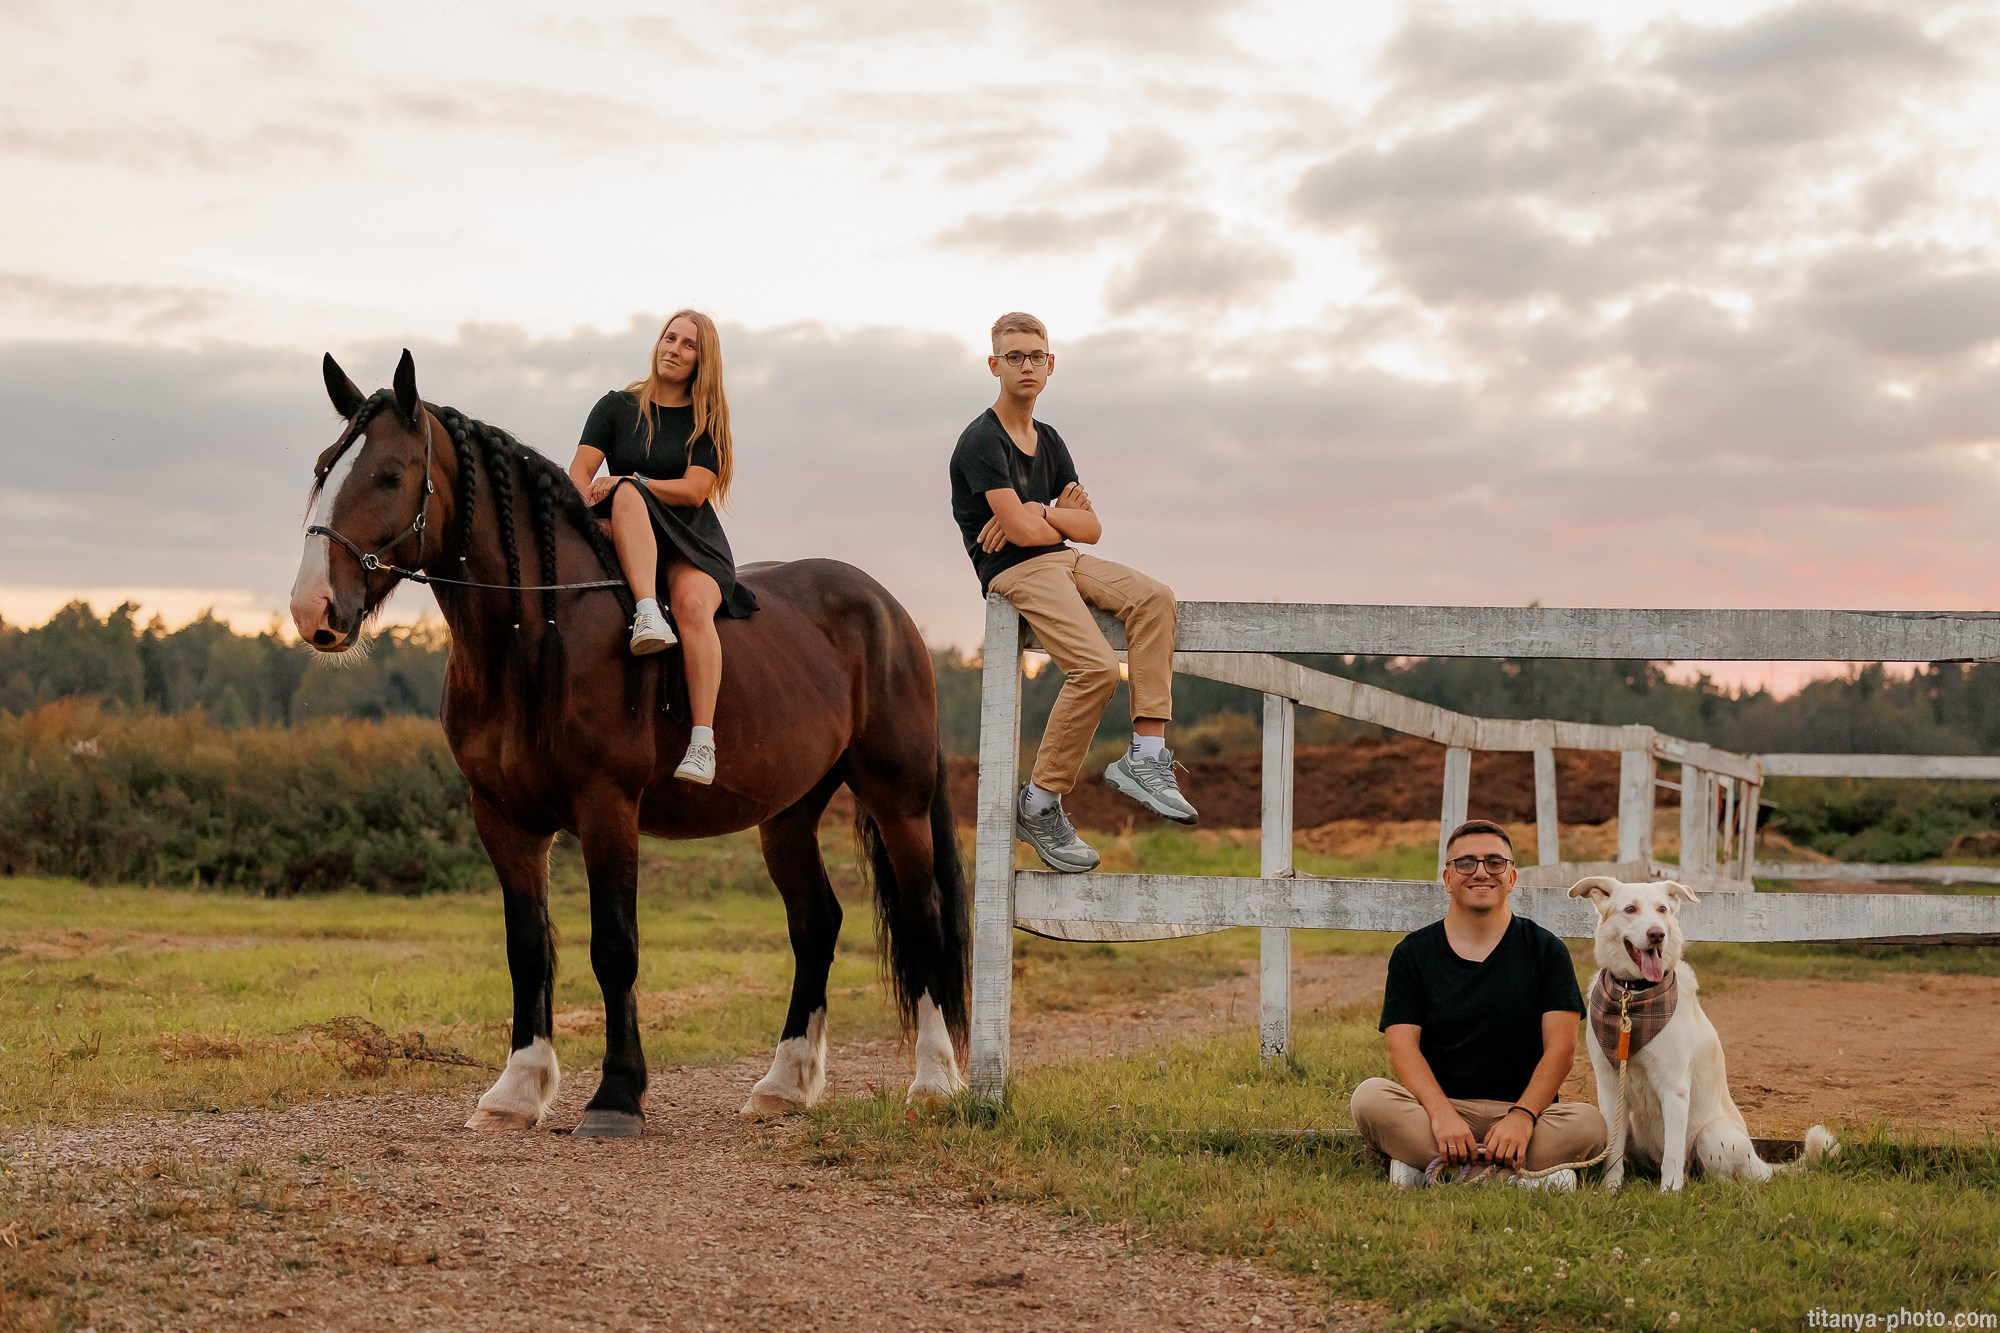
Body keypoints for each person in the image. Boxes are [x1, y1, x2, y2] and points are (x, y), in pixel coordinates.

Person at [947, 311, 1196, 874]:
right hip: (1014, 572)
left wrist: (1036, 511)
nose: (1026, 365)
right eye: (1014, 357)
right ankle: (1039, 803)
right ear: (994, 365)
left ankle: (1147, 756)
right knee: (1096, 669)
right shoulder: (980, 441)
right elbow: (1023, 536)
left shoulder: (1050, 440)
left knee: (1155, 597)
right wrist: (1047, 517)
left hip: (1061, 560)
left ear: (1051, 364)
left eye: (1036, 356)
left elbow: (1091, 528)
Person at [1350, 819, 1606, 1190]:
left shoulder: (1547, 950)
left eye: (1495, 862)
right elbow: (1401, 1047)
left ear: (1512, 877)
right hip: (1439, 1109)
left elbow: (1561, 1051)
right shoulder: (1413, 953)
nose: (1481, 872)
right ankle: (1523, 1178)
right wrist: (1441, 1115)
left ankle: (1430, 1170)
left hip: (1528, 1114)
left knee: (1589, 1124)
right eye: (1466, 863)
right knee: (1370, 1097)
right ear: (1448, 878)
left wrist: (1521, 1116)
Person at [567, 310, 758, 786]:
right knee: (626, 496)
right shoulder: (615, 408)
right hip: (628, 537)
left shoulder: (705, 421)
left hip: (691, 546)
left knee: (694, 606)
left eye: (688, 345)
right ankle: (647, 611)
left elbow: (695, 491)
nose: (673, 348)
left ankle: (702, 743)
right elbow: (577, 477)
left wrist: (633, 480)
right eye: (669, 338)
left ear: (701, 360)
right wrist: (594, 517)